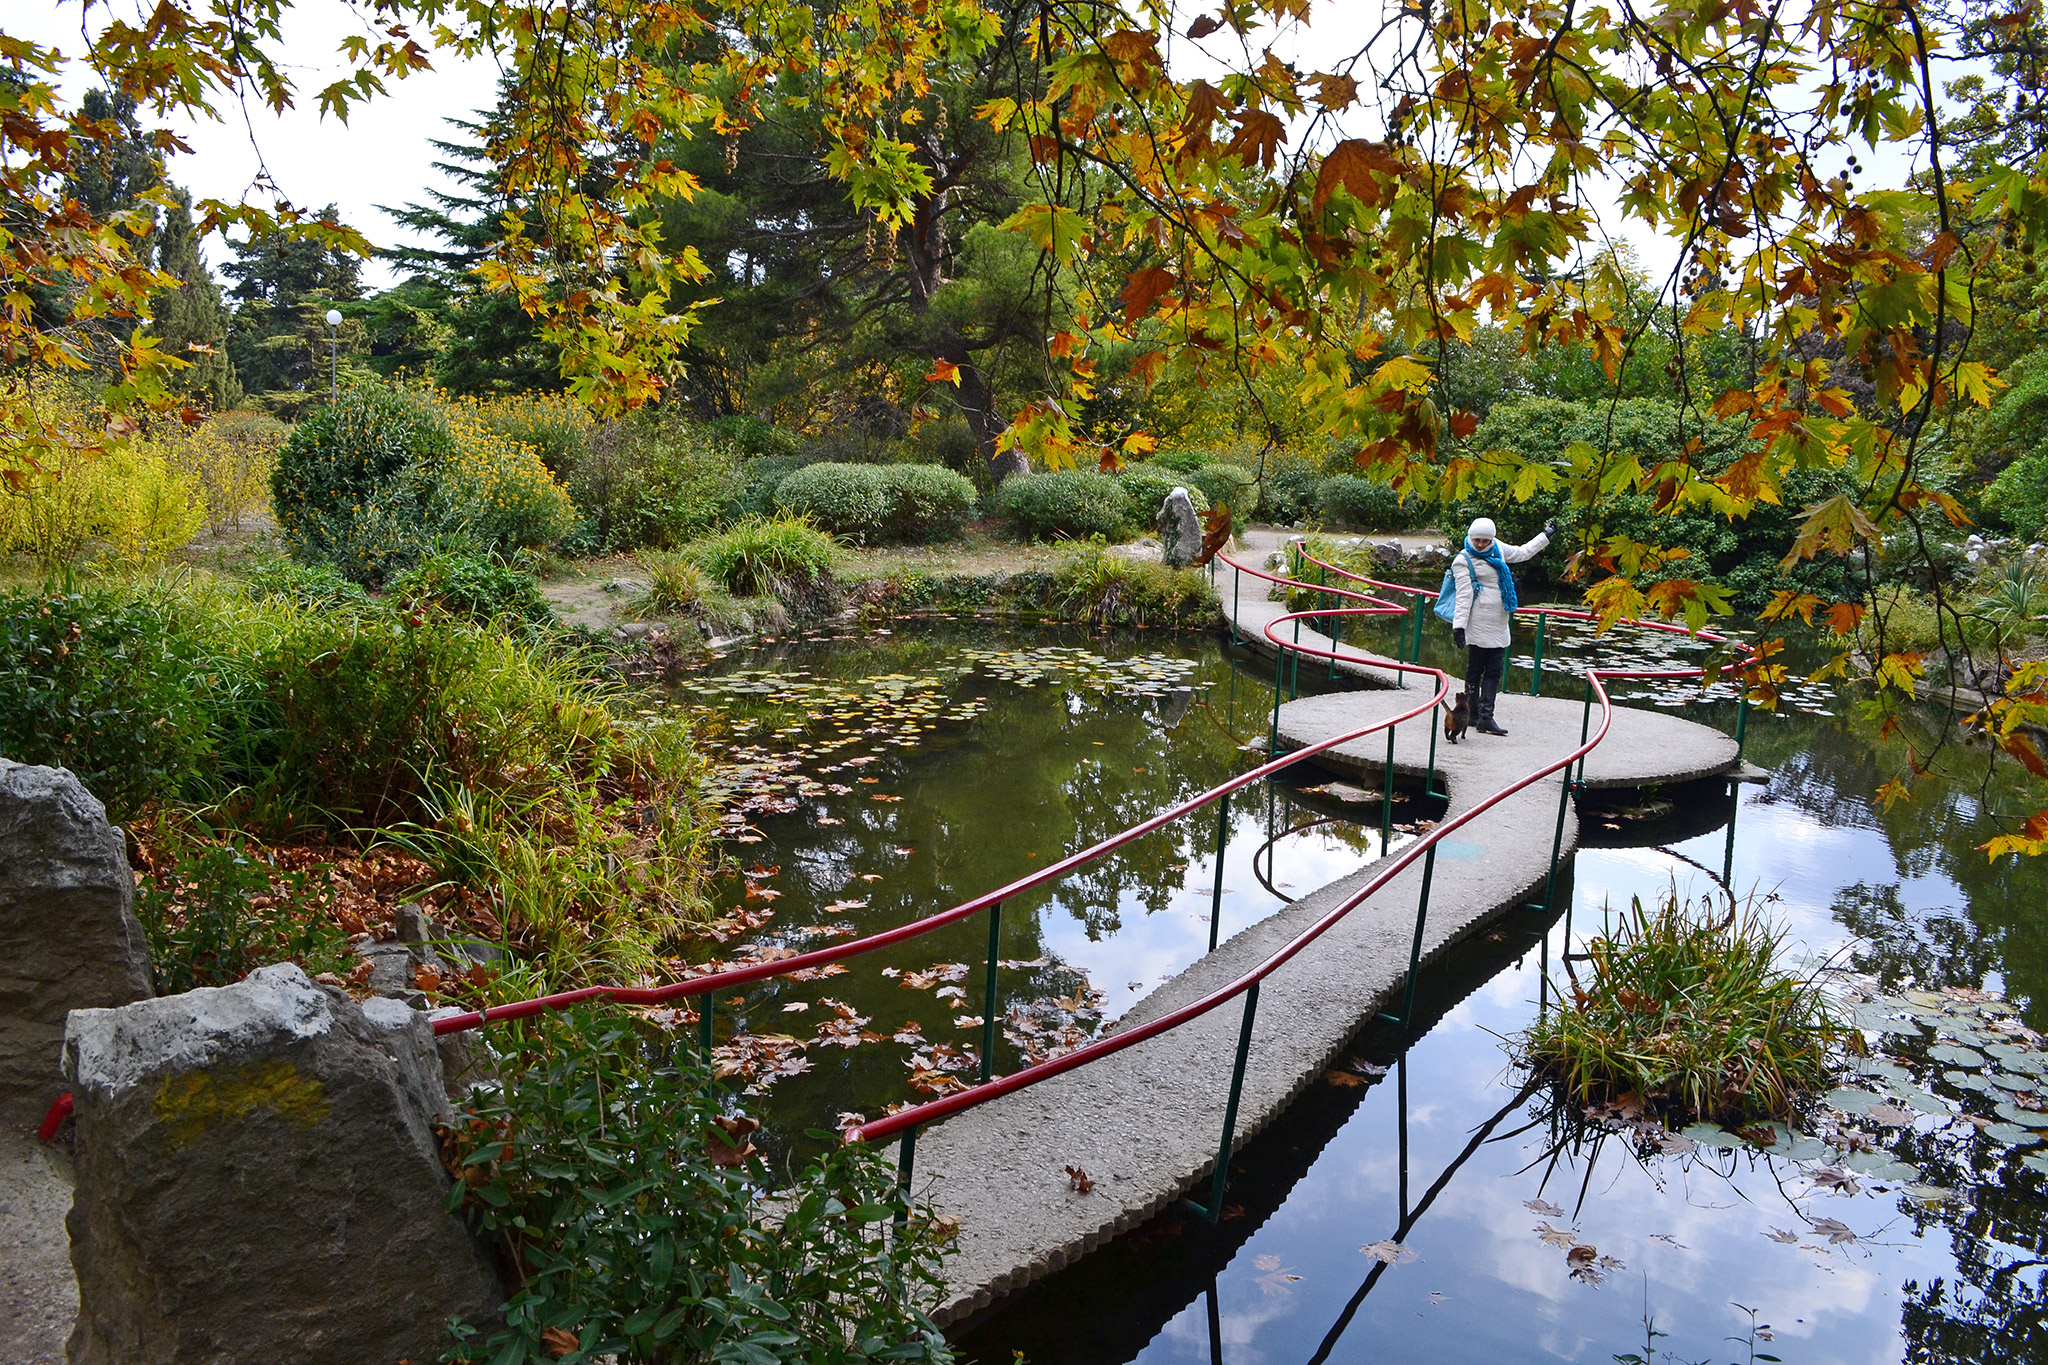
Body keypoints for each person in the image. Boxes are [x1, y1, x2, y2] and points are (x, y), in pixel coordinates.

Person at [1449, 515, 1556, 736]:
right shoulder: (1463, 560)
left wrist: (1545, 536)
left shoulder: (1497, 548)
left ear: (1491, 539)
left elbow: (1522, 552)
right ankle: (1475, 714)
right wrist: (1458, 626)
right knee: (1476, 669)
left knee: (1493, 670)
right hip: (1478, 622)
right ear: (1470, 537)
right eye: (1477, 539)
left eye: (1484, 540)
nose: (1480, 544)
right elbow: (1463, 595)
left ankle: (1484, 717)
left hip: (1498, 621)